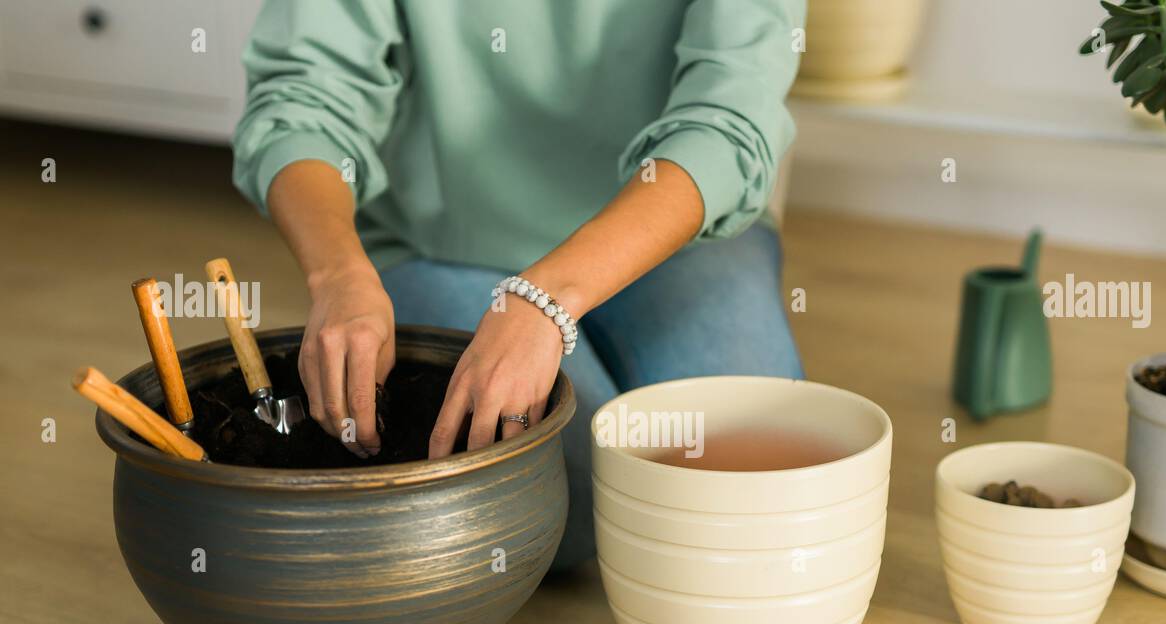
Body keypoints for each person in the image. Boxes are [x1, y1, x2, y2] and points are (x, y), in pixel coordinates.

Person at [232, 0, 806, 571]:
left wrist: (543, 299)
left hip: (678, 232)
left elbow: (730, 119)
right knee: (565, 501)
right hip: (446, 241)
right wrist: (339, 274)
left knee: (754, 473)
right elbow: (301, 97)